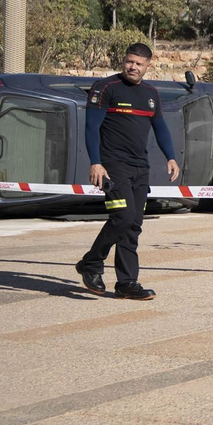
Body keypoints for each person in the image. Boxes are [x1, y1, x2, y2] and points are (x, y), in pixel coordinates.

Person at [75, 43, 181, 300]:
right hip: (113, 165)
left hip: (140, 167)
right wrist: (95, 162)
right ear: (123, 61)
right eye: (129, 61)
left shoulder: (151, 94)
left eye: (139, 64)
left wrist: (170, 157)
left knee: (133, 224)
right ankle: (91, 262)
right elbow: (91, 128)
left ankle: (126, 283)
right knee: (122, 217)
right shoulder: (106, 87)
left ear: (148, 66)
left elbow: (160, 127)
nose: (133, 67)